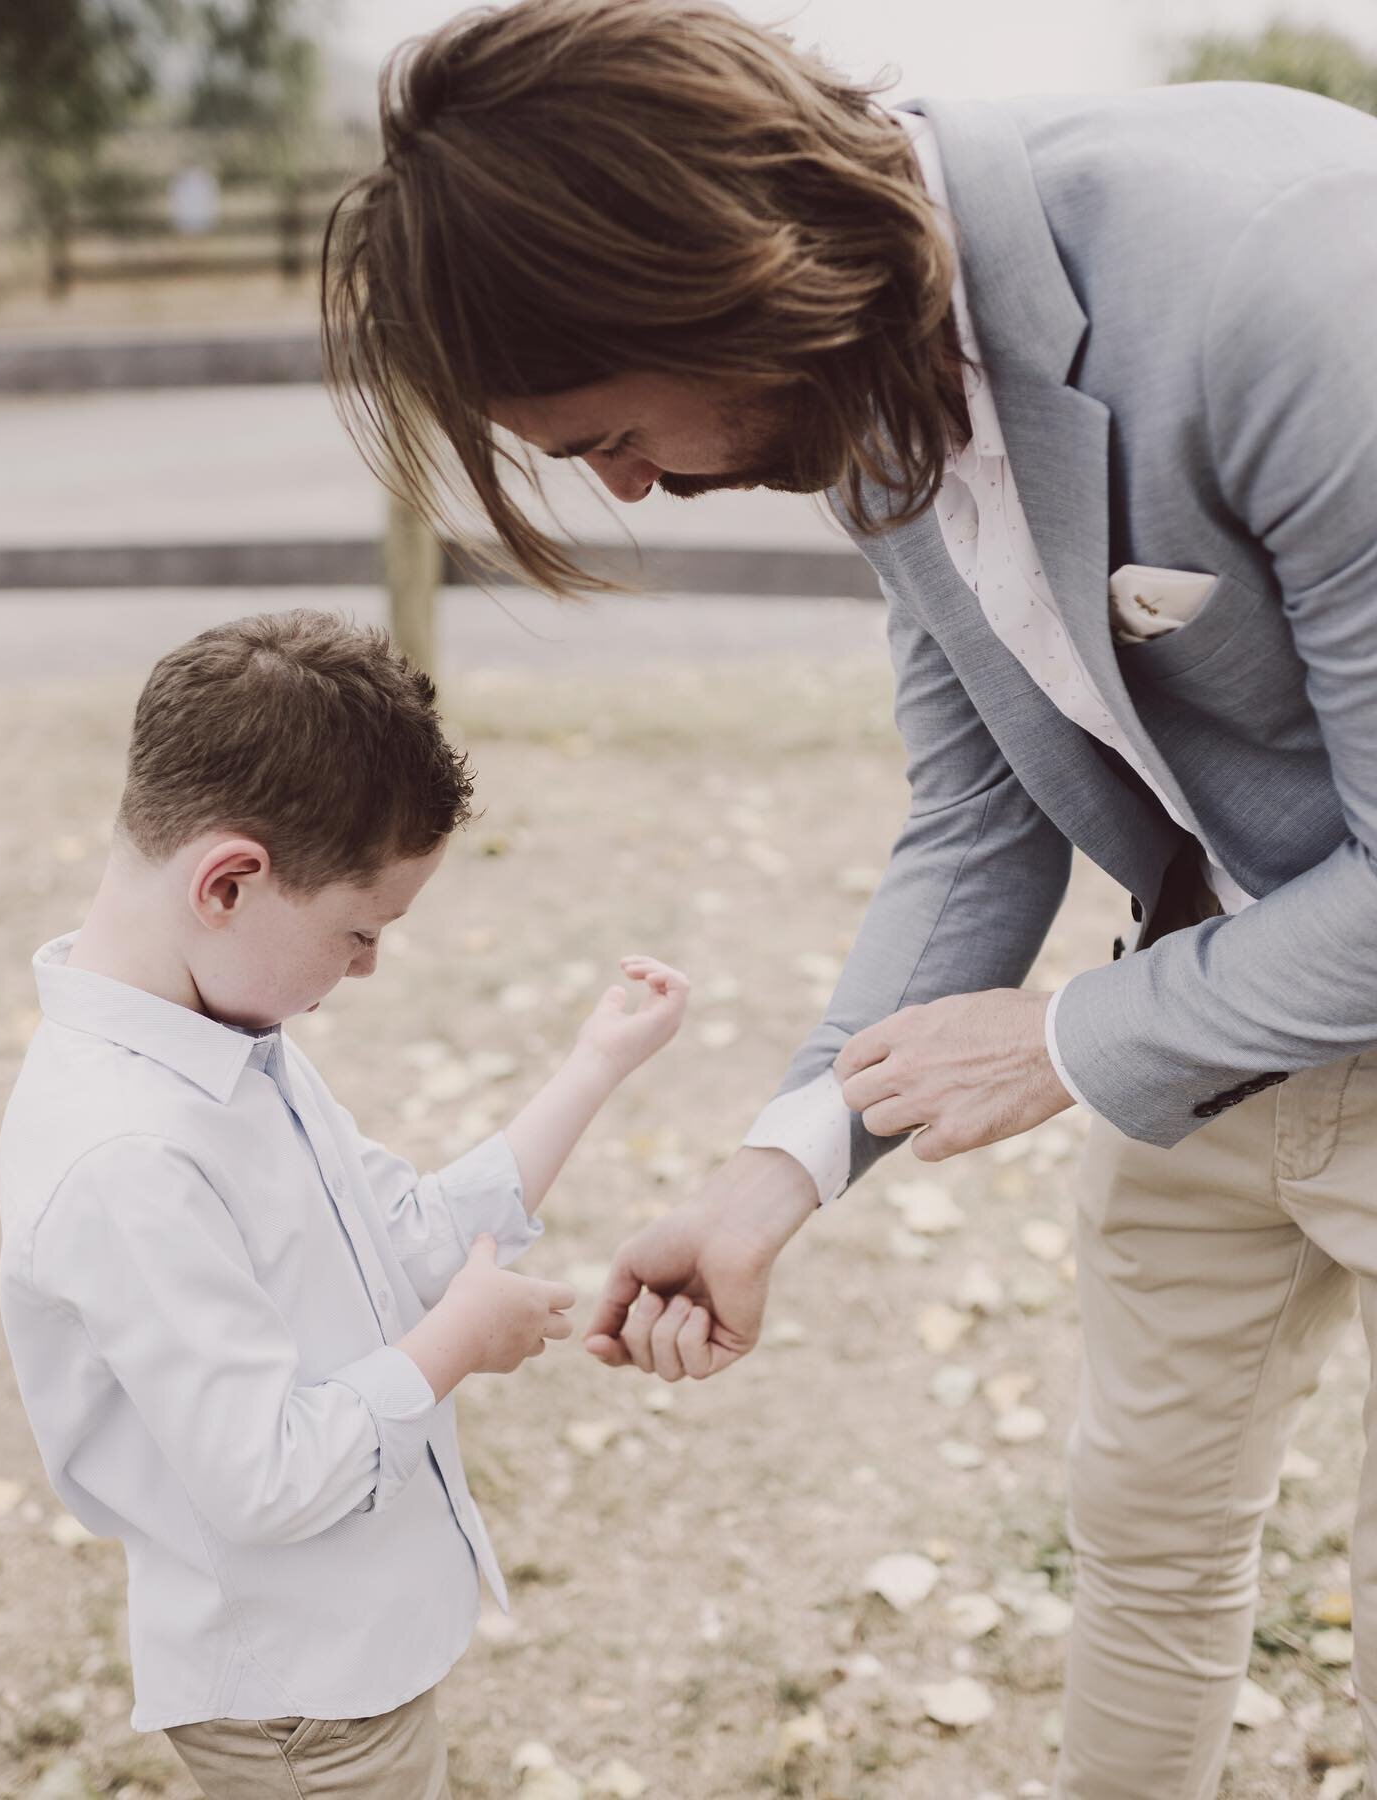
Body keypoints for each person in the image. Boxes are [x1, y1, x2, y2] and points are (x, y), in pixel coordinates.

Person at [320, 2, 1377, 1793]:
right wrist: (776, 1170)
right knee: (1148, 1543)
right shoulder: (866, 381)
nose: (634, 484)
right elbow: (977, 825)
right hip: (1204, 1034)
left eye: (603, 430)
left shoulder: (1286, 276)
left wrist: (1061, 1038)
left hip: (1215, 1002)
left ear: (711, 284)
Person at [0, 609, 689, 1800]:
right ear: (230, 881)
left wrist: (593, 1068)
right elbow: (261, 1476)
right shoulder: (127, 1158)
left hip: (350, 1661)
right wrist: (450, 1349)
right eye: (359, 933)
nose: (366, 969)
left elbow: (410, 1232)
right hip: (297, 1709)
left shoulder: (232, 1037)